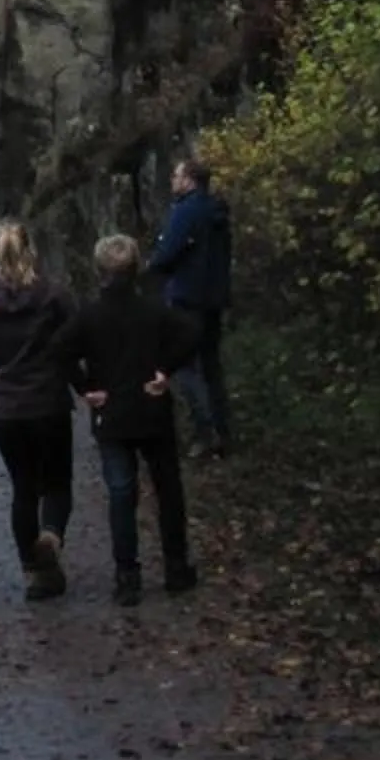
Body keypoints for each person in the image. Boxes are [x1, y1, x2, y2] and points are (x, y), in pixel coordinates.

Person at [63, 232, 199, 605]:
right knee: (167, 489)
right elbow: (191, 333)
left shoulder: (89, 315)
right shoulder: (153, 310)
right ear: (135, 268)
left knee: (121, 494)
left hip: (112, 415)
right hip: (152, 409)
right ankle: (175, 567)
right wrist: (165, 370)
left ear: (99, 270)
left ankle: (127, 575)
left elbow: (59, 350)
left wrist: (85, 387)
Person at [0, 217, 78, 600]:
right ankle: (51, 536)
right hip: (48, 401)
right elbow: (74, 342)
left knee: (23, 489)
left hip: (7, 409)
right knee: (57, 482)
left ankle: (33, 572)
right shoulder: (54, 296)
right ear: (31, 251)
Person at [147, 156, 233, 459]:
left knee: (184, 366)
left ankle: (205, 433)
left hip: (187, 299)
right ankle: (223, 431)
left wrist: (151, 266)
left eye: (176, 175)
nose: (172, 180)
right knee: (212, 366)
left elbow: (167, 253)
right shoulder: (217, 212)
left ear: (190, 180)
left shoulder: (186, 212)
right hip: (214, 300)